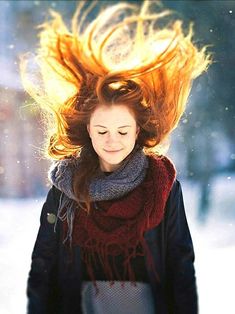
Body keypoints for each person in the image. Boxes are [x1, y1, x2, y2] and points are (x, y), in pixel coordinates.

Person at [20, 0, 213, 313]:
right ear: (89, 132)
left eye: (123, 132)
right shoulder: (65, 188)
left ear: (137, 132)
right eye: (102, 131)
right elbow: (43, 264)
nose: (112, 141)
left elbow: (180, 265)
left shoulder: (161, 185)